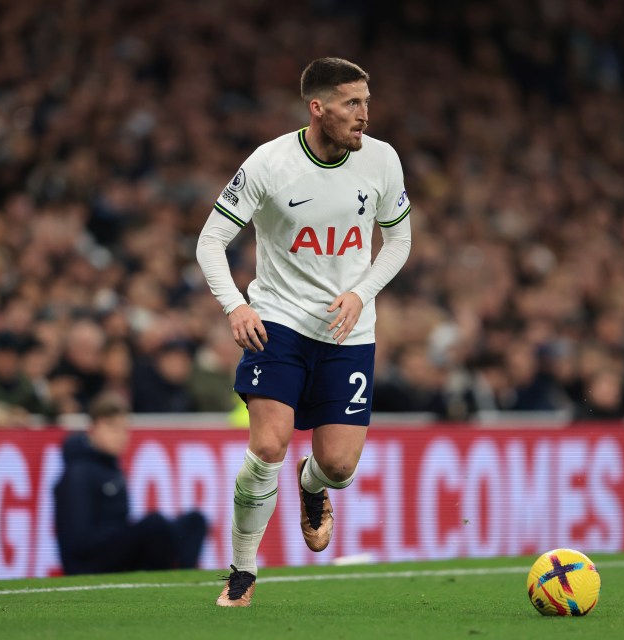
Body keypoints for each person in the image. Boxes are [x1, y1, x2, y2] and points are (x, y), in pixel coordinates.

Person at [196, 57, 412, 607]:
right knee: (267, 444)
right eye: (352, 103)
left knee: (338, 467)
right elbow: (210, 240)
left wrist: (361, 292)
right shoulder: (271, 163)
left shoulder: (383, 161)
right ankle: (242, 573)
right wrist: (235, 306)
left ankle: (312, 485)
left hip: (349, 329)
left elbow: (400, 242)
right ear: (317, 108)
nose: (365, 114)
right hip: (280, 322)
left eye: (366, 101)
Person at [53, 392, 208, 575]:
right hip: (88, 563)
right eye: (113, 428)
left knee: (194, 521)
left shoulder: (112, 468)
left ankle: (182, 579)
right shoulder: (78, 473)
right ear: (93, 428)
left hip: (114, 551)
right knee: (155, 525)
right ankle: (161, 584)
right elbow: (78, 540)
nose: (121, 436)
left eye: (124, 429)